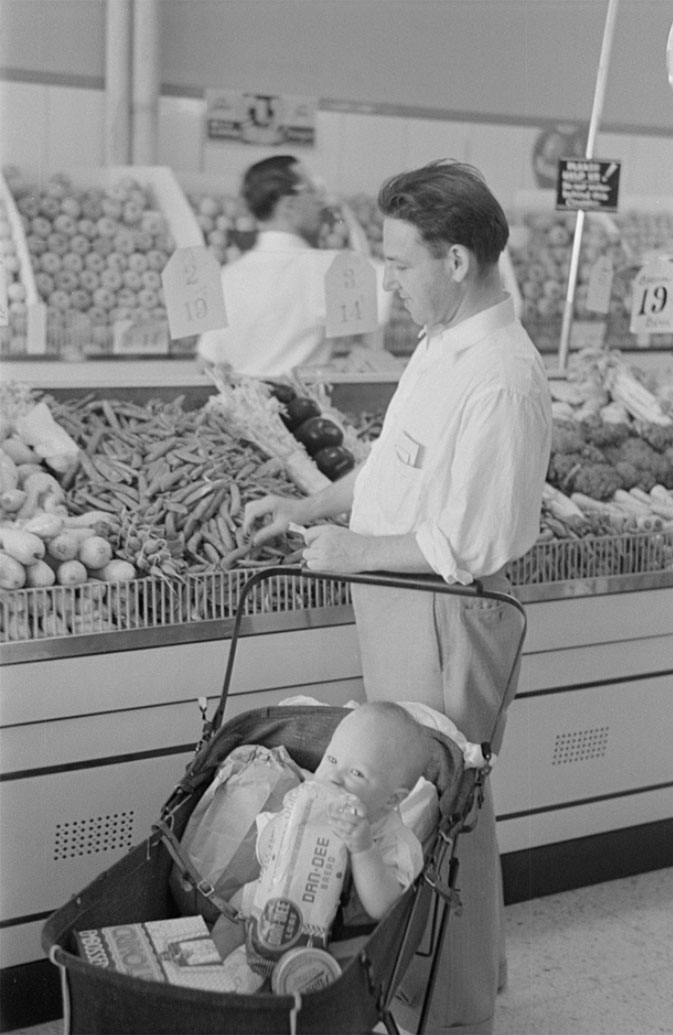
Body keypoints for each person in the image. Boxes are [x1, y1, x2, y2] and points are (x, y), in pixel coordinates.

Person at [243, 159, 553, 1033]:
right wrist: (309, 506)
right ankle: (453, 973)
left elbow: (465, 543)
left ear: (456, 261)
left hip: (448, 616)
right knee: (418, 803)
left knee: (442, 808)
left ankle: (451, 1012)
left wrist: (349, 549)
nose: (388, 281)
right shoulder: (442, 344)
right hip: (399, 604)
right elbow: (392, 470)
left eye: (401, 262)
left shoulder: (501, 376)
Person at [211, 702, 428, 960]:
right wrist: (289, 822)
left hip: (334, 935)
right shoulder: (308, 807)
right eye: (332, 759)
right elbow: (265, 854)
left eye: (357, 773)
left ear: (391, 800)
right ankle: (214, 971)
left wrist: (363, 848)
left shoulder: (396, 843)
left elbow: (384, 907)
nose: (334, 777)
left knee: (340, 961)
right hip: (278, 902)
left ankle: (276, 989)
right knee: (234, 910)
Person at [197, 154, 390, 376]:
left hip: (245, 406)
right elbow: (387, 280)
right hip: (305, 407)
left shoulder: (227, 276)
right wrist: (344, 214)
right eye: (312, 189)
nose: (320, 200)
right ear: (289, 204)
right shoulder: (324, 269)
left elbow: (206, 362)